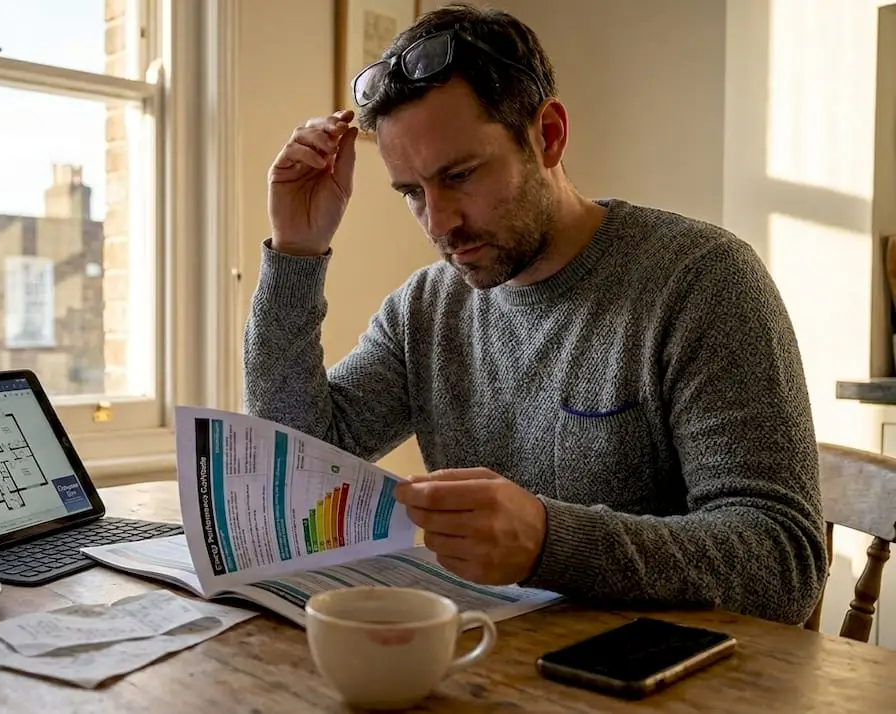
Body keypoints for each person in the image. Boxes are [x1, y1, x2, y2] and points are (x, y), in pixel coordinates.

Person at [243, 3, 827, 625]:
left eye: (460, 175)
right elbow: (297, 458)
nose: (438, 223)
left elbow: (782, 561)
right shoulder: (426, 309)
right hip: (499, 665)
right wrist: (297, 249)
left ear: (547, 136)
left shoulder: (701, 280)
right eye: (412, 193)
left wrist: (551, 540)